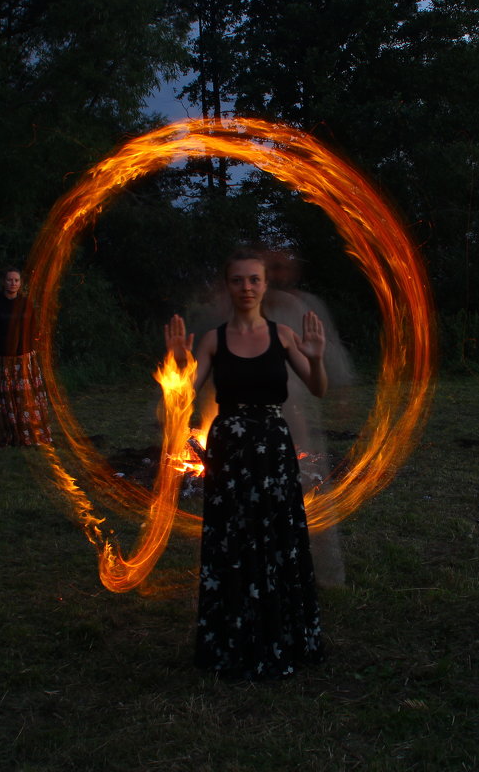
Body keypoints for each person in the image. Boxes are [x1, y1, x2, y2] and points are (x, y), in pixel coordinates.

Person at [164, 248, 327, 680]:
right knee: (233, 542)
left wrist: (315, 356)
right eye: (238, 280)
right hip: (230, 449)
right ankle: (234, 639)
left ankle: (280, 634)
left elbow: (318, 388)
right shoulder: (213, 340)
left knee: (276, 538)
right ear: (228, 286)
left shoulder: (285, 335)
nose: (247, 287)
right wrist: (179, 364)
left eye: (254, 280)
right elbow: (184, 398)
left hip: (272, 446)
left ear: (264, 285)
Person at [0, 266, 51, 447]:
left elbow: (33, 327)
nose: (13, 283)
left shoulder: (25, 303)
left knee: (26, 397)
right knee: (6, 397)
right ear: (3, 282)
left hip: (24, 357)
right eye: (10, 280)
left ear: (20, 283)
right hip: (3, 357)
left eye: (16, 280)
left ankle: (28, 432)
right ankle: (6, 434)